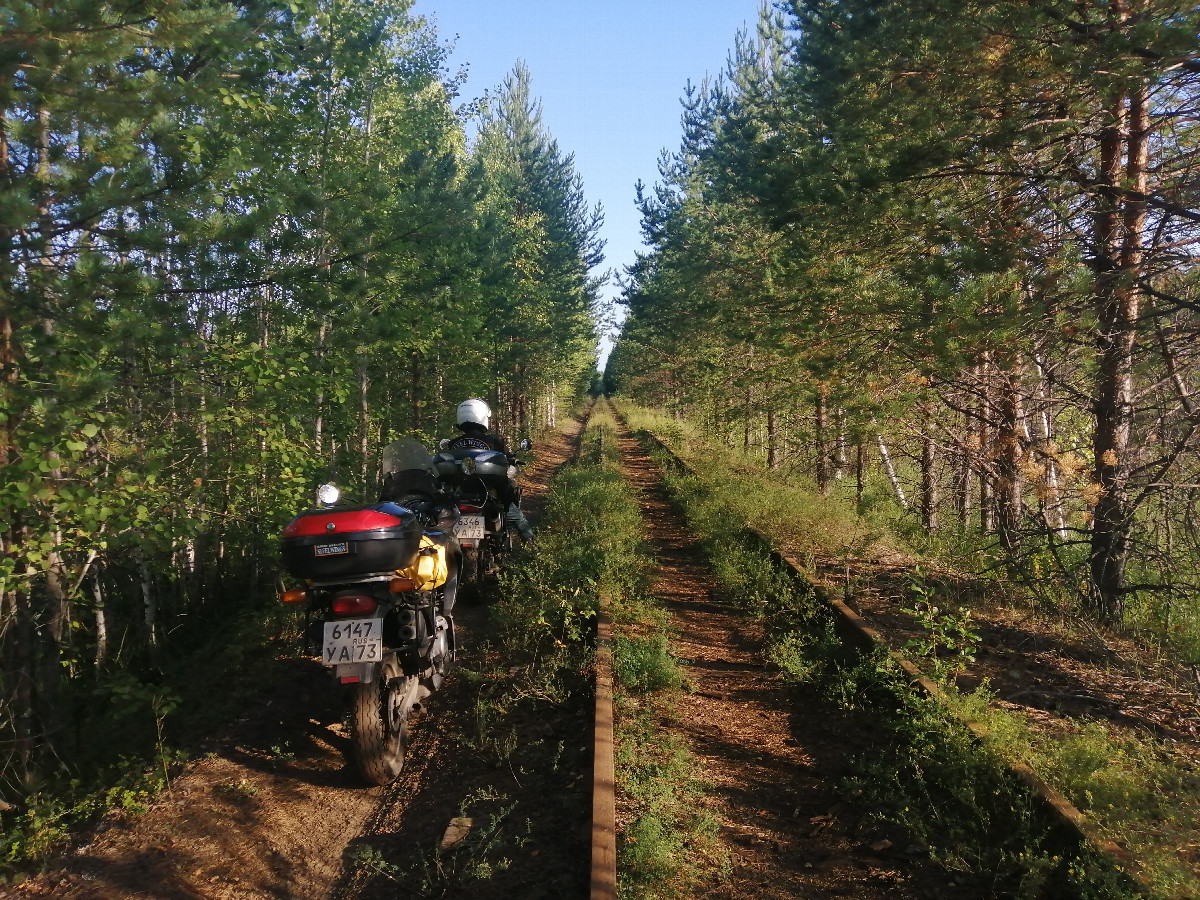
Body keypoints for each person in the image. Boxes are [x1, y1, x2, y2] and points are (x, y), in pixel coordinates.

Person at [446, 398, 536, 542]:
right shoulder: (494, 441)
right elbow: (505, 459)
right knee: (509, 501)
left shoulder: (453, 443)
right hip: (489, 485)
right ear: (482, 416)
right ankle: (529, 538)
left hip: (460, 486)